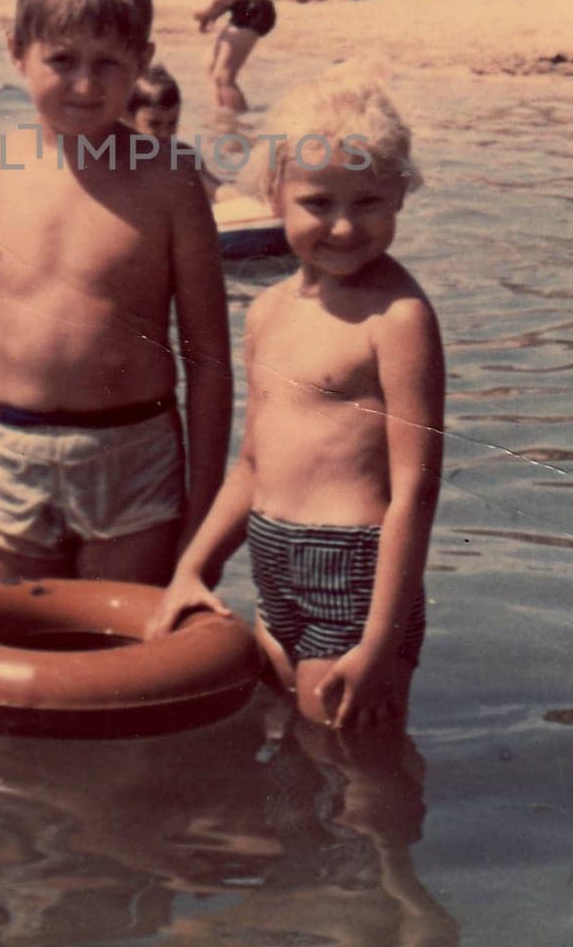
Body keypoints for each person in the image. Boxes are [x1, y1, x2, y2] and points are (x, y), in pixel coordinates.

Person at [0, 0, 232, 587]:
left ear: (142, 62)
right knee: (21, 662)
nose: (85, 85)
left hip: (134, 454)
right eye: (62, 60)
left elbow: (208, 360)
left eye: (107, 64)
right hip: (9, 454)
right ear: (18, 52)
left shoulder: (171, 184)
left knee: (126, 657)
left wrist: (204, 512)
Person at [150, 74, 443, 732]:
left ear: (400, 193)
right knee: (291, 751)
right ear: (271, 195)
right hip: (271, 562)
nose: (343, 225)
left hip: (357, 575)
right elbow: (252, 464)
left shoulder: (395, 319)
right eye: (317, 202)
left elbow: (414, 490)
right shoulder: (265, 313)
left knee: (354, 763)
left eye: (367, 201)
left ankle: (386, 838)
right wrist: (193, 567)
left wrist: (378, 642)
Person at [126, 64, 223, 201]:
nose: (165, 133)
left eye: (172, 123)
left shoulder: (184, 157)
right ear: (129, 118)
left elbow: (217, 190)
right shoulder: (112, 159)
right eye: (154, 124)